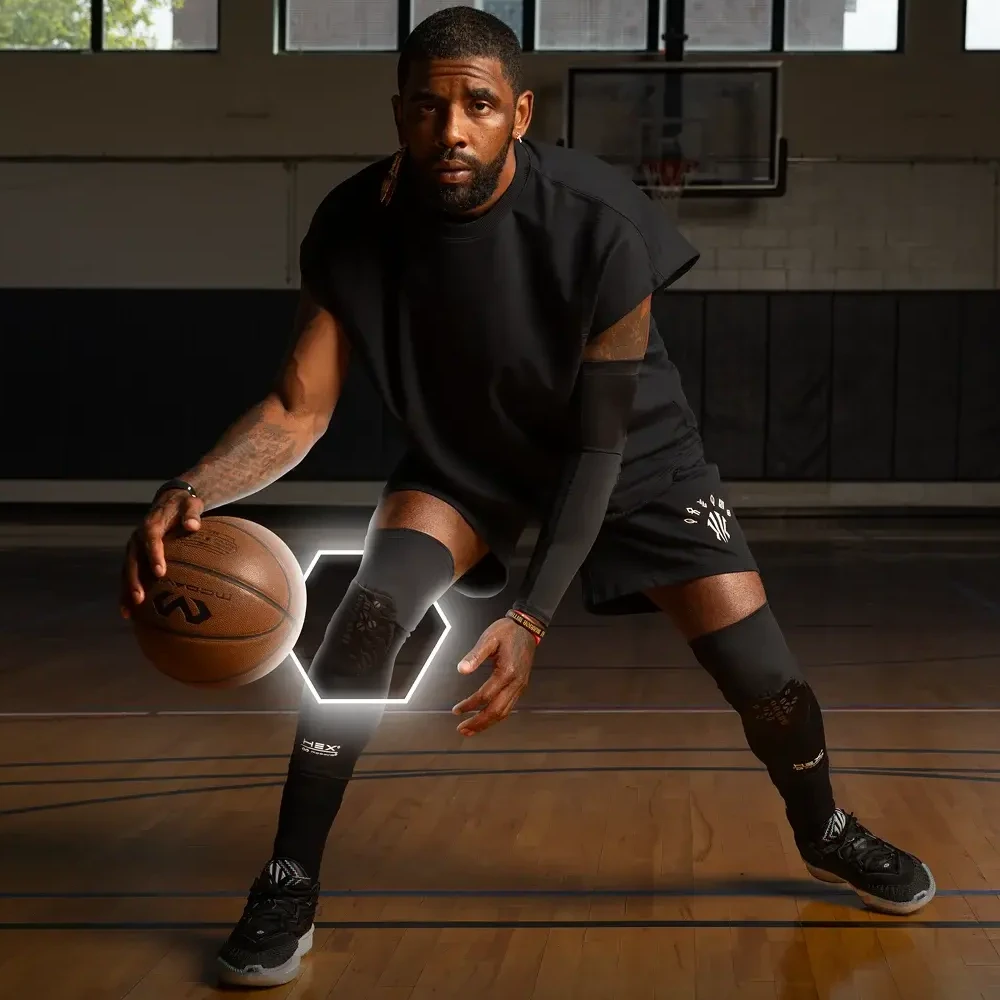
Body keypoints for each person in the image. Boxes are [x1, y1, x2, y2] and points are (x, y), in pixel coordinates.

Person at [120, 7, 935, 989]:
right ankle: (289, 875)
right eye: (428, 106)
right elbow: (299, 407)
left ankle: (826, 827)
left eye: (475, 104)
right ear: (398, 112)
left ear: (518, 111)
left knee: (763, 672)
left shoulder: (601, 222)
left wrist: (531, 617)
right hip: (465, 463)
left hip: (635, 461)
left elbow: (595, 447)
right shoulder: (351, 223)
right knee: (364, 623)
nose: (450, 128)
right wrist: (191, 486)